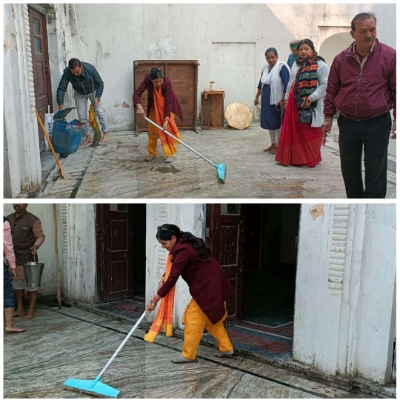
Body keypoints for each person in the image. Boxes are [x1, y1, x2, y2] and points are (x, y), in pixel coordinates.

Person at [322, 13, 396, 198]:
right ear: (352, 33)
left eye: (372, 30)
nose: (369, 34)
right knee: (349, 168)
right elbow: (332, 90)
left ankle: (373, 204)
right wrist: (328, 117)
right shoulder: (341, 59)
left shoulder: (389, 56)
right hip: (348, 123)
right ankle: (354, 200)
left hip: (377, 122)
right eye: (363, 31)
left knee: (376, 170)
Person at [146, 224, 235, 363]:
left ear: (173, 238)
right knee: (212, 319)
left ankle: (188, 355)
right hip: (213, 284)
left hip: (208, 289)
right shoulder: (184, 244)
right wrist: (164, 276)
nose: (163, 247)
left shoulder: (183, 250)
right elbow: (175, 269)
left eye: (164, 243)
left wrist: (155, 299)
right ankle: (226, 349)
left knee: (193, 320)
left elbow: (173, 278)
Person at [275, 39, 329, 167]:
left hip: (312, 103)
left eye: (306, 48)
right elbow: (290, 82)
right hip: (295, 103)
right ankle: (296, 159)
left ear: (312, 49)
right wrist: (287, 97)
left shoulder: (321, 65)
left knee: (311, 130)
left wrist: (311, 98)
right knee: (297, 131)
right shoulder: (296, 64)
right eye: (301, 49)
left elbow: (326, 85)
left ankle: (311, 158)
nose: (303, 51)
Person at [133, 68, 183, 163]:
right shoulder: (147, 80)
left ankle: (169, 154)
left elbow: (168, 101)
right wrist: (139, 107)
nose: (159, 84)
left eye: (160, 81)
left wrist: (166, 119)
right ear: (151, 80)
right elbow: (136, 94)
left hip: (168, 108)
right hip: (154, 107)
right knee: (152, 131)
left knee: (166, 130)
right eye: (156, 82)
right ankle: (152, 154)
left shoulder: (167, 82)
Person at [56, 58, 109, 145]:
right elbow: (62, 88)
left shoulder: (90, 69)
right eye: (73, 73)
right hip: (79, 93)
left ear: (82, 67)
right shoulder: (67, 72)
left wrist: (97, 97)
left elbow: (100, 83)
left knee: (100, 112)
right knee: (82, 116)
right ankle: (87, 136)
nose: (76, 74)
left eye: (77, 72)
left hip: (93, 91)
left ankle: (105, 134)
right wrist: (61, 104)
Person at [7, 204, 45, 320]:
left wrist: (36, 245)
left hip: (29, 259)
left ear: (26, 204)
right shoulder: (8, 219)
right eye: (15, 203)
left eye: (20, 203)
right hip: (14, 259)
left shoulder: (33, 220)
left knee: (32, 287)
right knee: (17, 285)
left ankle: (31, 310)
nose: (17, 205)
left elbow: (40, 236)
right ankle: (20, 309)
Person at [254, 48, 290, 154]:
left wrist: (283, 98)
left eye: (272, 57)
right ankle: (273, 144)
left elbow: (287, 84)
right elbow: (261, 84)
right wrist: (257, 97)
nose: (270, 60)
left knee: (277, 122)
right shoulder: (265, 68)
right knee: (270, 122)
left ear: (277, 57)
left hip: (277, 100)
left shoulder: (281, 67)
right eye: (268, 58)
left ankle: (279, 146)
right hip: (266, 99)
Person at [4, 217, 25, 333]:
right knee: (7, 293)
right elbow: (8, 247)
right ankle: (10, 324)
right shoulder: (4, 222)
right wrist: (13, 266)